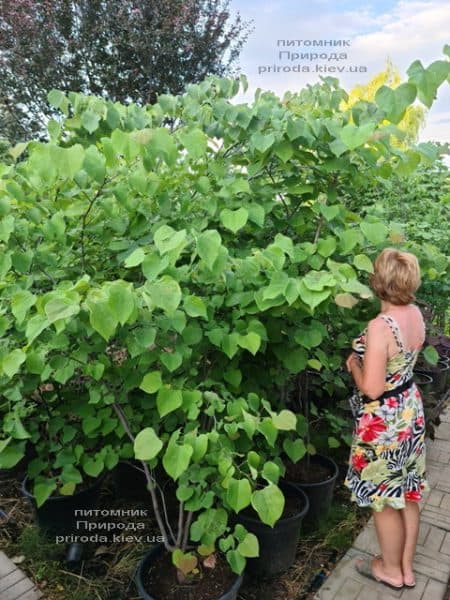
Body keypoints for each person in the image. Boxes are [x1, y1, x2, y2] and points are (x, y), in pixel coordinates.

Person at [344, 247, 429, 590]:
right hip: (410, 408)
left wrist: (353, 365)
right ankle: (406, 568)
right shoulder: (416, 315)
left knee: (382, 498)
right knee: (407, 490)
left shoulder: (381, 326)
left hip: (386, 420)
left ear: (377, 281)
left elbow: (372, 389)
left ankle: (390, 570)